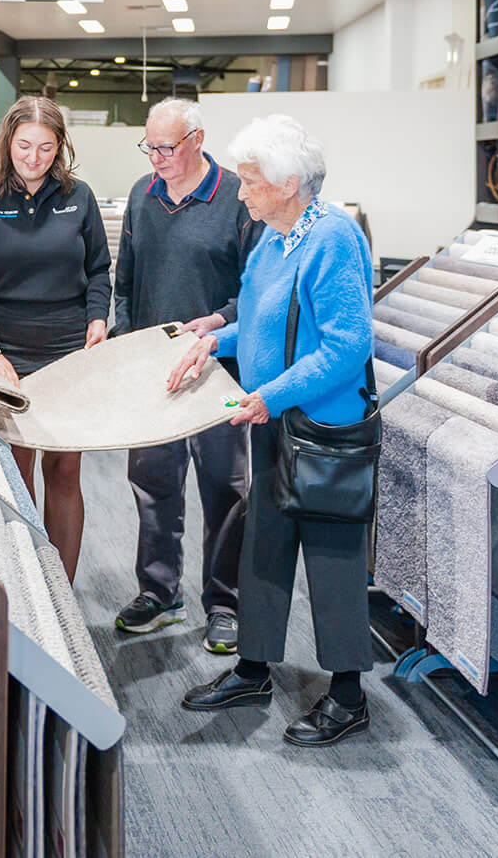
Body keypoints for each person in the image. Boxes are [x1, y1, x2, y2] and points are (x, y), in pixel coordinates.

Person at [166, 113, 377, 748]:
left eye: (251, 181)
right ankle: (255, 668)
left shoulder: (333, 239)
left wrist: (271, 394)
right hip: (272, 417)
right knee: (265, 545)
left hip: (322, 426)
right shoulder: (275, 237)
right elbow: (257, 323)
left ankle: (348, 696)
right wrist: (213, 340)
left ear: (287, 183)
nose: (240, 191)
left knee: (334, 561)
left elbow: (347, 346)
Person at [111, 99, 261, 655]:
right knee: (153, 484)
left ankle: (225, 604)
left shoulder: (235, 198)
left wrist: (219, 323)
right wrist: (129, 344)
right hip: (154, 371)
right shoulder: (141, 195)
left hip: (219, 371)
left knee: (225, 488)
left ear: (197, 139)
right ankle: (158, 591)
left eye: (166, 148)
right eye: (148, 147)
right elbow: (124, 281)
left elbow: (256, 289)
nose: (156, 158)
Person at [0, 95, 111, 580]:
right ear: (8, 142)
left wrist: (98, 318)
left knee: (64, 471)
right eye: (24, 146)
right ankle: (25, 584)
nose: (34, 158)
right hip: (6, 355)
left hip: (68, 354)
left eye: (45, 147)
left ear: (60, 146)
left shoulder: (78, 197)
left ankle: (61, 588)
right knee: (16, 471)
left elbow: (99, 269)